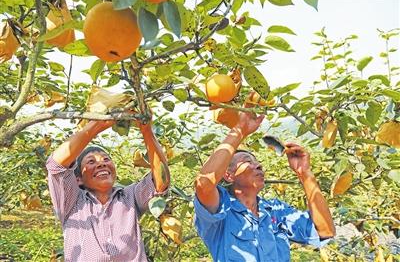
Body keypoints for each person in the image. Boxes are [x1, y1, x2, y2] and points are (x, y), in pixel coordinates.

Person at [194, 107, 336, 262]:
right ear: (228, 175)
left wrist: (305, 173)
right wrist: (240, 130)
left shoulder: (276, 211)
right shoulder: (222, 210)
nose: (258, 166)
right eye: (248, 162)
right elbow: (204, 183)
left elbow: (325, 231)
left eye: (257, 162)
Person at [46, 118, 170, 261]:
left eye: (106, 159)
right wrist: (99, 123)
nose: (101, 164)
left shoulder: (129, 196)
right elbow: (56, 164)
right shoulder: (71, 202)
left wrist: (146, 129)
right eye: (91, 161)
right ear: (78, 179)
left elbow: (161, 179)